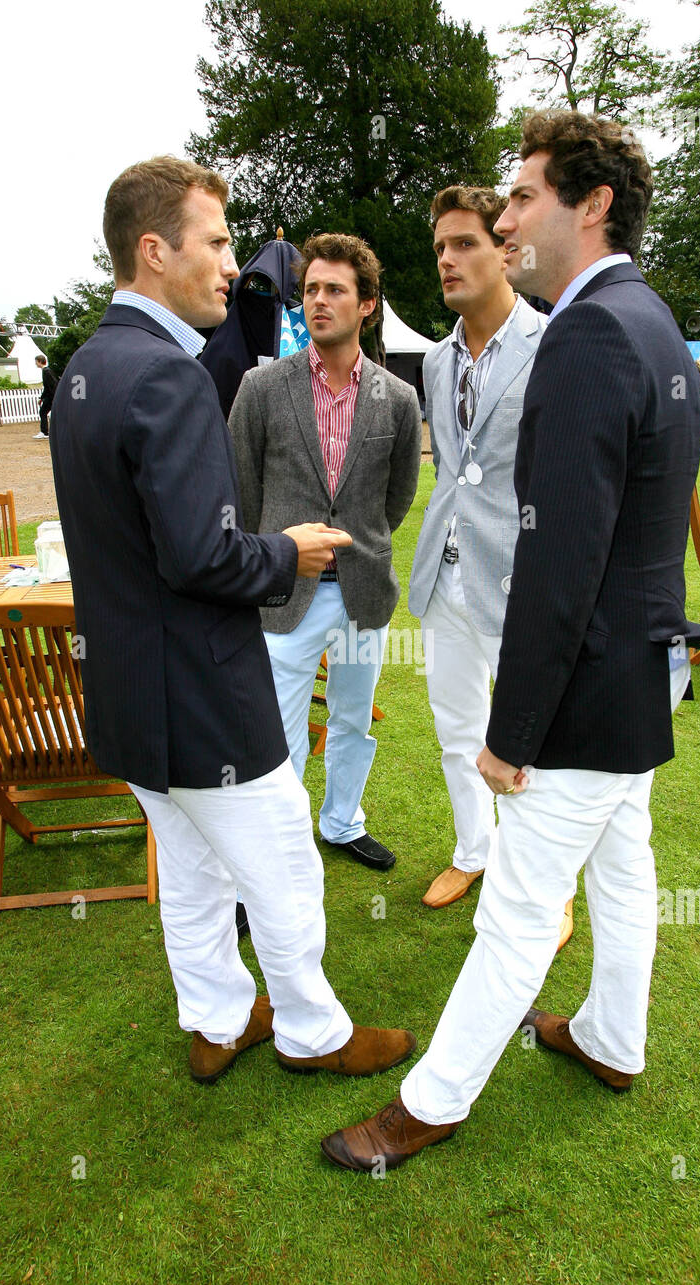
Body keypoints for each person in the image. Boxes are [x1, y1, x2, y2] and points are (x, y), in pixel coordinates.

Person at [320, 110, 700, 1172]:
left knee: (521, 914)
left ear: (591, 204)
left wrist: (511, 730)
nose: (506, 212)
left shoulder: (585, 329)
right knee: (624, 875)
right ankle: (608, 1039)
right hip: (638, 673)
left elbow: (559, 557)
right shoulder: (648, 317)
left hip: (587, 689)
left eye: (523, 193)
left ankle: (427, 1103)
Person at [49, 156, 416, 1086]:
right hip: (203, 695)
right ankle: (313, 1034)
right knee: (286, 865)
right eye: (214, 241)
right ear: (152, 249)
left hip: (133, 700)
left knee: (193, 873)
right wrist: (289, 551)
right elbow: (204, 557)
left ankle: (216, 1021)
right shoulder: (166, 377)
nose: (233, 265)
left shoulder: (87, 367)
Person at [407, 185, 571, 947]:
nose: (447, 258)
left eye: (463, 243)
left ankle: (548, 885)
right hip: (446, 576)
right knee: (455, 729)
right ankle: (474, 852)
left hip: (520, 573)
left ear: (506, 251)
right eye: (439, 246)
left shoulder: (556, 343)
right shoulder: (436, 361)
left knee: (534, 738)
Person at [228, 233, 422, 872]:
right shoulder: (261, 387)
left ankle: (342, 823)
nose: (318, 300)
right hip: (285, 595)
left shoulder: (397, 397)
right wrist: (273, 561)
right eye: (310, 289)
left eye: (335, 289)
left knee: (352, 722)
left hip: (363, 594)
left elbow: (394, 501)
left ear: (367, 303)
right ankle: (277, 854)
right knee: (277, 736)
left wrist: (358, 544)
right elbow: (244, 492)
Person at [33, 354, 59, 439]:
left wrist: (42, 398)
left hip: (51, 397)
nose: (35, 363)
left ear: (40, 361)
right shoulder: (47, 371)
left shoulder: (46, 371)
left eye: (36, 361)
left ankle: (44, 432)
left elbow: (49, 386)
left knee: (43, 412)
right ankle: (46, 432)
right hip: (52, 396)